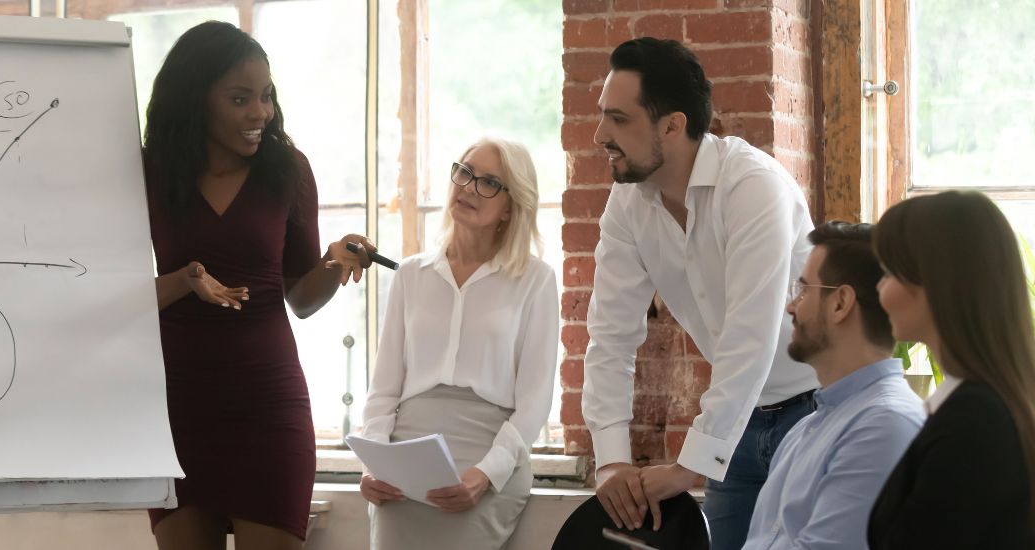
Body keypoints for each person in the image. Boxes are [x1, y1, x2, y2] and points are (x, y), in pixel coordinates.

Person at [142, 21, 376, 550]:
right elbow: (114, 295)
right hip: (177, 408)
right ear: (195, 99)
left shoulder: (288, 171)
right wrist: (185, 281)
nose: (260, 113)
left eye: (266, 96)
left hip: (268, 405)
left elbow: (301, 299)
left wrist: (333, 263)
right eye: (239, 98)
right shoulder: (148, 173)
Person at [582, 37, 819, 550]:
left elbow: (749, 337)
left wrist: (689, 465)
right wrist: (612, 461)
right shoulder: (626, 203)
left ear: (673, 125)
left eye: (618, 119)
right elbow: (610, 336)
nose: (600, 135)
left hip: (814, 413)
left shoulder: (753, 186)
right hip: (738, 423)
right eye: (603, 116)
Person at [358, 137, 558, 549]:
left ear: (510, 207)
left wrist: (486, 474)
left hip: (490, 457)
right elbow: (383, 390)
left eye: (489, 182)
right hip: (404, 459)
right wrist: (373, 462)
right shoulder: (411, 274)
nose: (469, 187)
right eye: (465, 173)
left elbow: (535, 402)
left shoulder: (535, 280)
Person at [867, 191, 1035, 548]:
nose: (879, 288)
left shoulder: (974, 421)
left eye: (888, 273)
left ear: (936, 282)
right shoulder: (978, 406)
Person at [742, 222, 925, 549]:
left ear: (840, 303)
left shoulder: (885, 424)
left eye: (804, 290)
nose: (791, 306)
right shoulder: (807, 428)